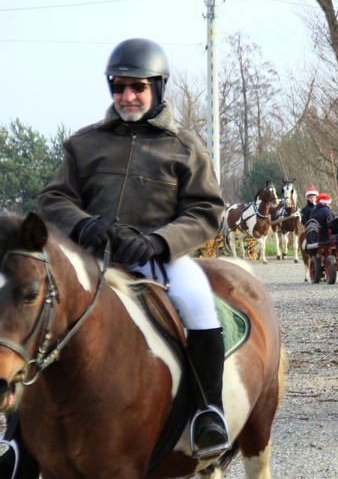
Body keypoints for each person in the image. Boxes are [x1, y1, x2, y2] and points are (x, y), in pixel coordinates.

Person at [36, 38, 230, 459]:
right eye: (119, 87)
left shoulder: (184, 147)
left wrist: (159, 241)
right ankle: (17, 436)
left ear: (157, 88)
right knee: (41, 317)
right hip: (93, 260)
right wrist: (83, 223)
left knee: (198, 302)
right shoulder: (84, 144)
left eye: (137, 87)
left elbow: (206, 209)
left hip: (161, 260)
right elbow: (53, 199)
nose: (127, 96)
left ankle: (208, 411)